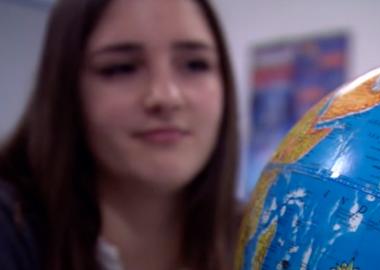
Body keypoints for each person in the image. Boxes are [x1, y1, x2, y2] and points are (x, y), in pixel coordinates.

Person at [0, 0, 239, 269]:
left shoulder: (270, 234)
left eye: (195, 65)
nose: (166, 96)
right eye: (121, 68)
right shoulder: (10, 229)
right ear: (65, 88)